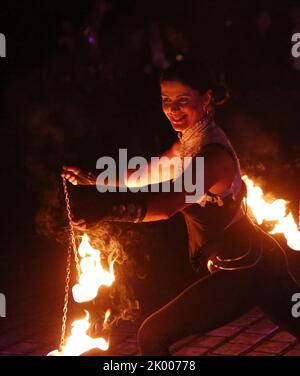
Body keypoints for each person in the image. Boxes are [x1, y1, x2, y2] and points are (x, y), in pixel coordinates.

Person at [61, 60, 300, 356]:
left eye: (183, 100)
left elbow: (167, 206)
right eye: (166, 101)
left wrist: (107, 211)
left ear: (207, 98)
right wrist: (91, 179)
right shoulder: (188, 146)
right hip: (261, 259)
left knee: (152, 336)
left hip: (246, 268)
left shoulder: (213, 156)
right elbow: (141, 175)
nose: (173, 109)